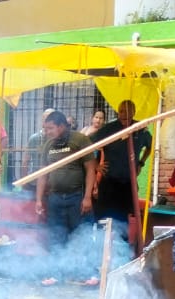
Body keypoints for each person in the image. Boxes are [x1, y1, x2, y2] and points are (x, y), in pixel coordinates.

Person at [35, 109, 95, 268]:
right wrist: (39, 200)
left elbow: (91, 169)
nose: (46, 132)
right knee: (56, 236)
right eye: (45, 129)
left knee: (80, 235)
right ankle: (57, 271)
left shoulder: (80, 140)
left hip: (77, 197)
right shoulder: (48, 145)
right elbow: (42, 174)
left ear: (61, 126)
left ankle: (83, 271)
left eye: (50, 128)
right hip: (55, 198)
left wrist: (87, 197)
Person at [91, 100, 150, 243]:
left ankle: (121, 250)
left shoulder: (140, 129)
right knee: (104, 218)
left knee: (125, 218)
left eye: (128, 111)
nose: (125, 114)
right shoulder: (109, 129)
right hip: (109, 182)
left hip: (128, 182)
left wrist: (141, 162)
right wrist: (96, 166)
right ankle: (101, 248)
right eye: (122, 111)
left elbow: (150, 145)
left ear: (134, 112)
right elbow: (89, 144)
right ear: (118, 112)